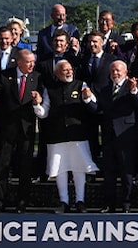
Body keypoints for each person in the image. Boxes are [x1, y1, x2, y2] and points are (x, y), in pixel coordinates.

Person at [38, 59, 99, 213]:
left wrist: (87, 97)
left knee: (79, 167)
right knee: (60, 168)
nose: (69, 72)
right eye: (65, 70)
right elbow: (43, 113)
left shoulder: (81, 84)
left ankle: (80, 200)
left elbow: (93, 104)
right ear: (57, 73)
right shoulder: (50, 89)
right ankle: (64, 201)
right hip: (57, 135)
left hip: (78, 134)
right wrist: (36, 104)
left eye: (70, 69)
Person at [0, 49, 42, 213]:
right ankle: (0, 200)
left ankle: (22, 201)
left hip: (26, 129)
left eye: (33, 61)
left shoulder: (37, 78)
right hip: (7, 129)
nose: (31, 64)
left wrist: (38, 100)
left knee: (25, 166)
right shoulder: (6, 76)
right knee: (3, 166)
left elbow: (42, 98)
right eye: (28, 62)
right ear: (19, 62)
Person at [96, 60, 138, 212]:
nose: (115, 73)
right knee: (109, 173)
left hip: (126, 137)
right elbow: (98, 109)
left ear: (125, 72)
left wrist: (134, 91)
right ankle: (109, 204)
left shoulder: (132, 87)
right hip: (109, 137)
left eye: (118, 70)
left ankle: (126, 204)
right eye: (113, 71)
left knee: (126, 173)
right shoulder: (105, 90)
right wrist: (88, 99)